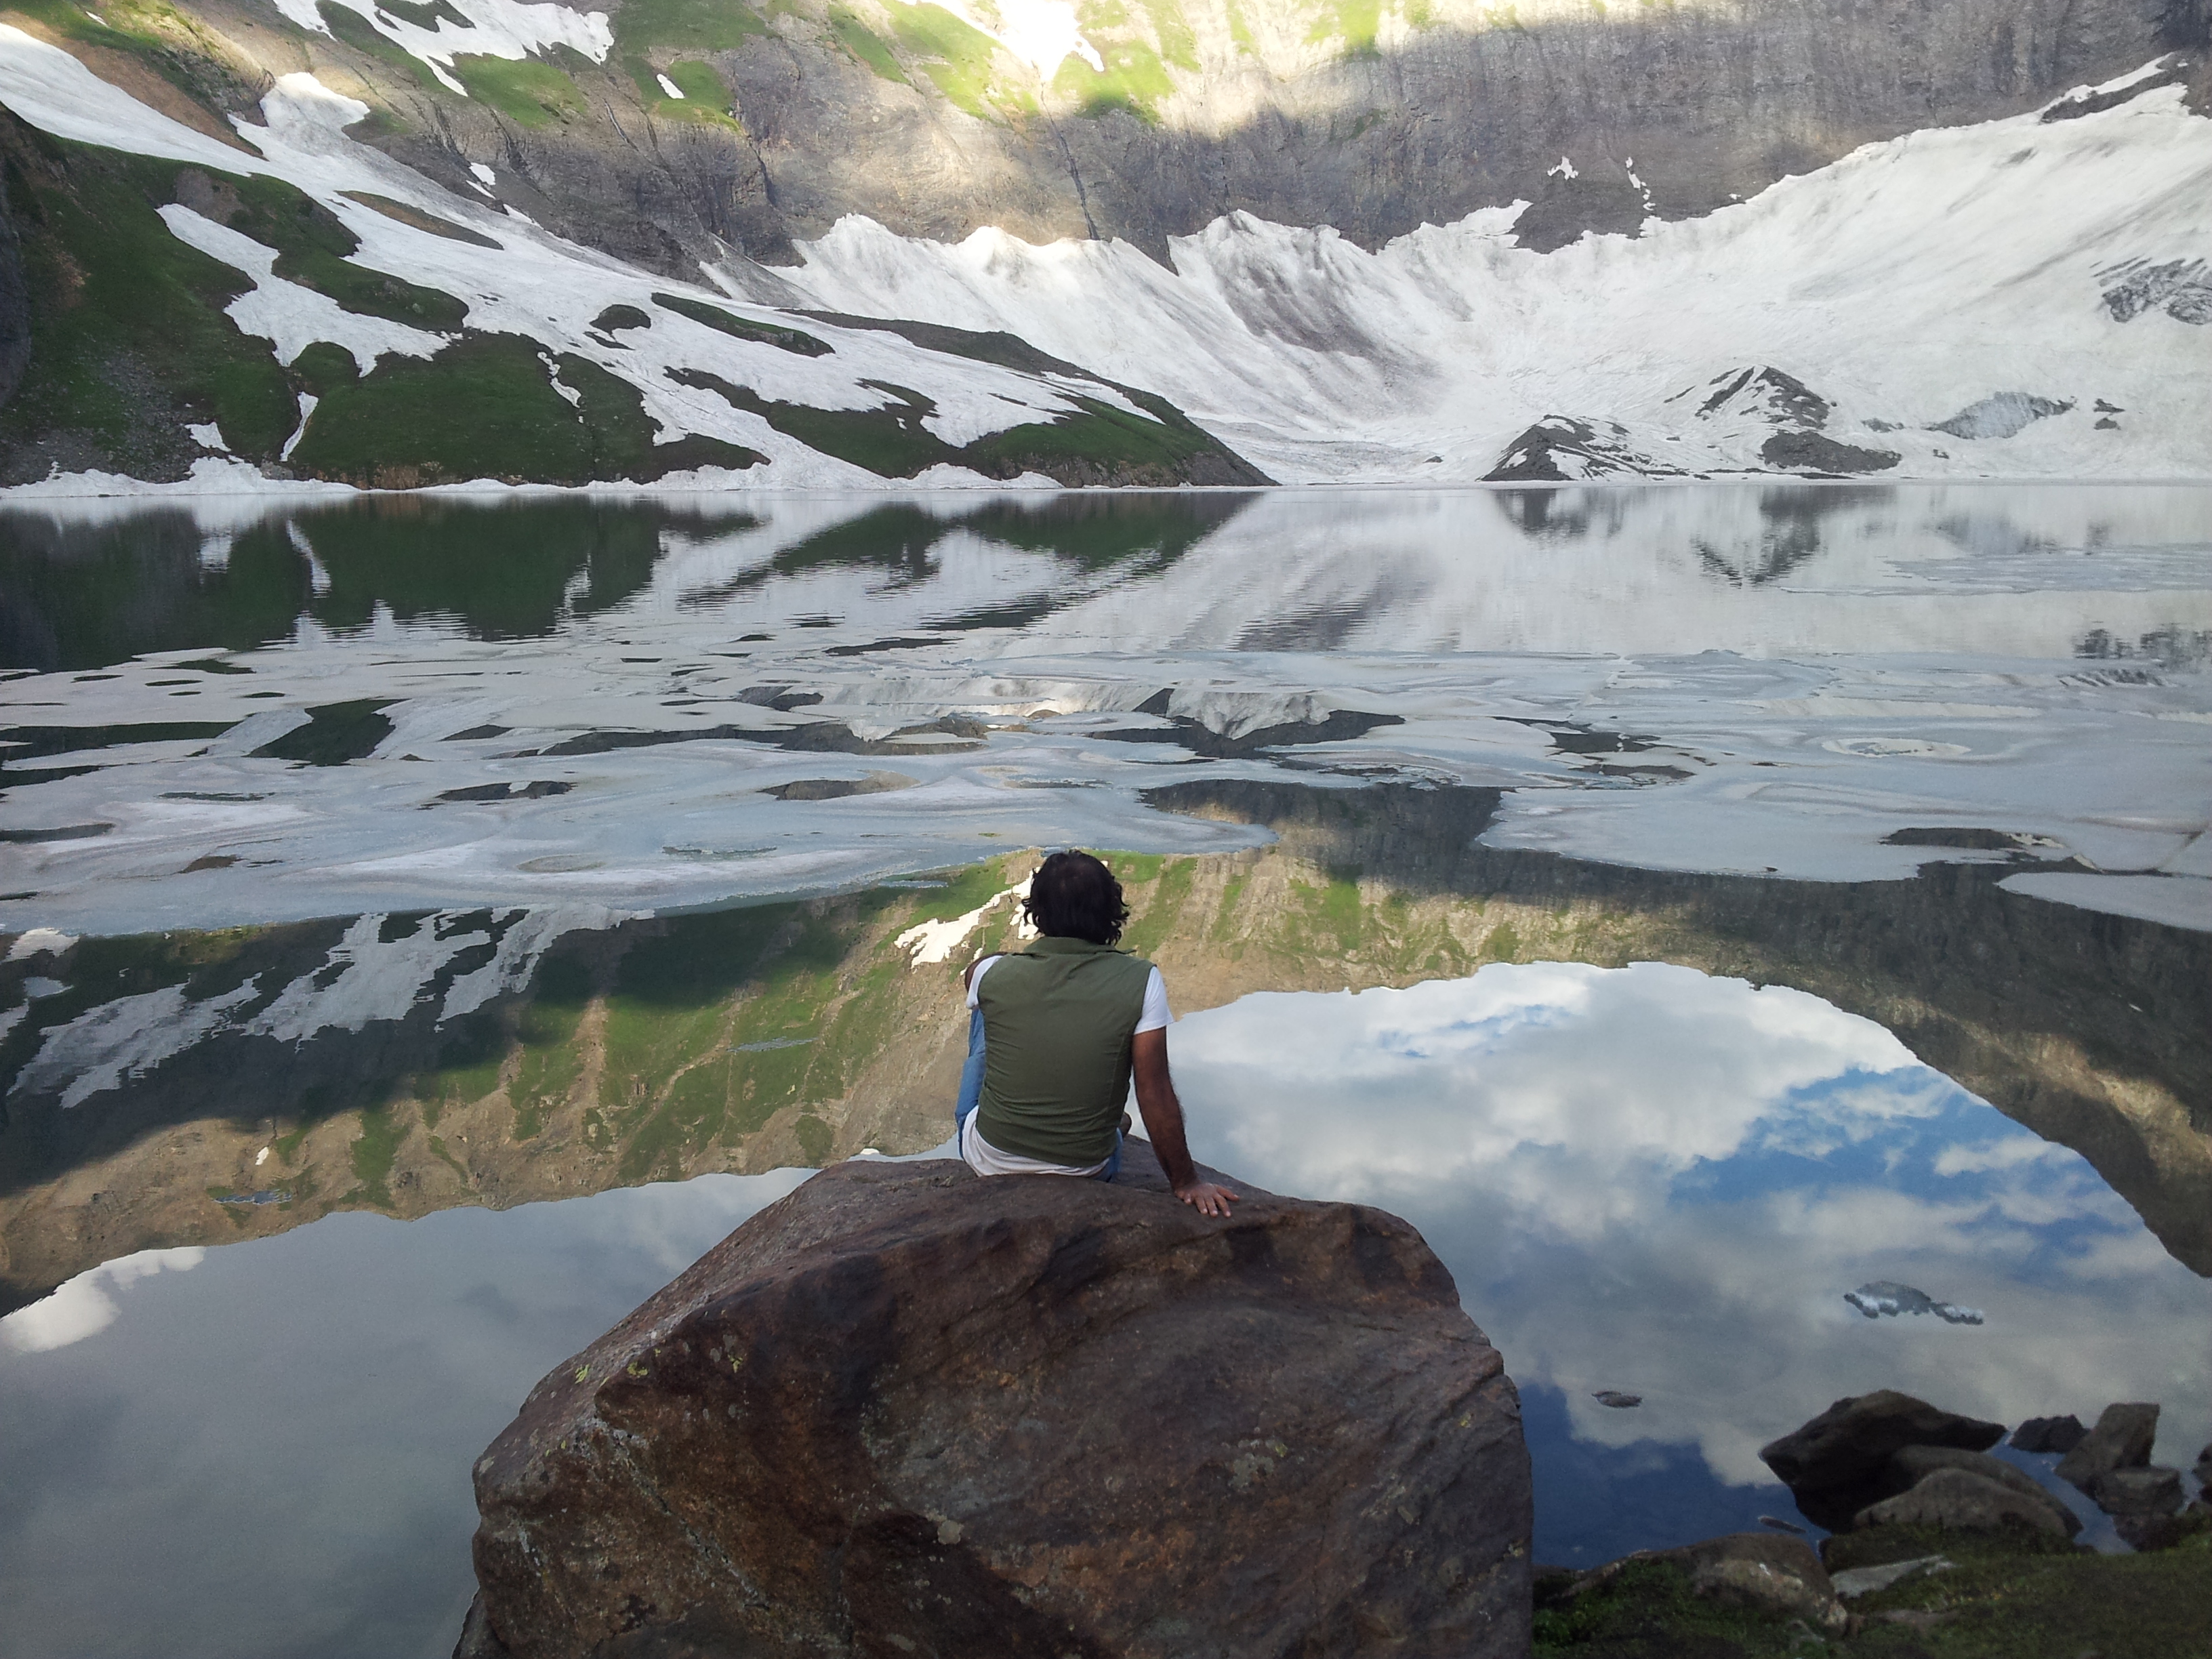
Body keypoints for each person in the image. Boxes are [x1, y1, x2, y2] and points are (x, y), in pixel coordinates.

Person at [954, 850, 1237, 1217]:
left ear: (1037, 913)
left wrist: (1023, 965)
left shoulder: (992, 973)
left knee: (984, 1019)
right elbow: (1154, 1092)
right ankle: (1104, 1124)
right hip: (1087, 1169)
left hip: (990, 1160)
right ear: (1110, 911)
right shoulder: (1142, 981)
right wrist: (1185, 1182)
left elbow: (972, 973)